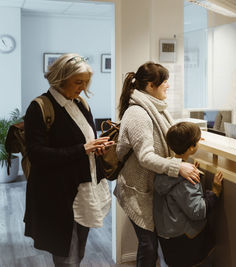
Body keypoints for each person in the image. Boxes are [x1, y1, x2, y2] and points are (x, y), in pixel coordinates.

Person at [24, 53, 113, 266]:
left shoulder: (81, 104)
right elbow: (37, 155)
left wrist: (96, 148)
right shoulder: (39, 107)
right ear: (60, 79)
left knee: (79, 252)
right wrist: (82, 149)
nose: (82, 87)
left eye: (85, 82)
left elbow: (85, 141)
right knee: (66, 256)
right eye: (78, 82)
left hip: (84, 189)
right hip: (58, 194)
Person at [114, 62, 201, 267]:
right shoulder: (138, 114)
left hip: (149, 190)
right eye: (165, 82)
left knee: (150, 246)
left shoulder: (156, 108)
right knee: (148, 246)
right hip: (137, 191)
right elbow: (145, 157)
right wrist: (177, 166)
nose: (168, 86)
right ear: (151, 85)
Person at [153, 121, 223, 267]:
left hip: (167, 235)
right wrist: (214, 192)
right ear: (192, 148)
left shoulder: (164, 168)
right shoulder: (187, 179)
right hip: (184, 238)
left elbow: (178, 196)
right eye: (197, 141)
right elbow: (198, 211)